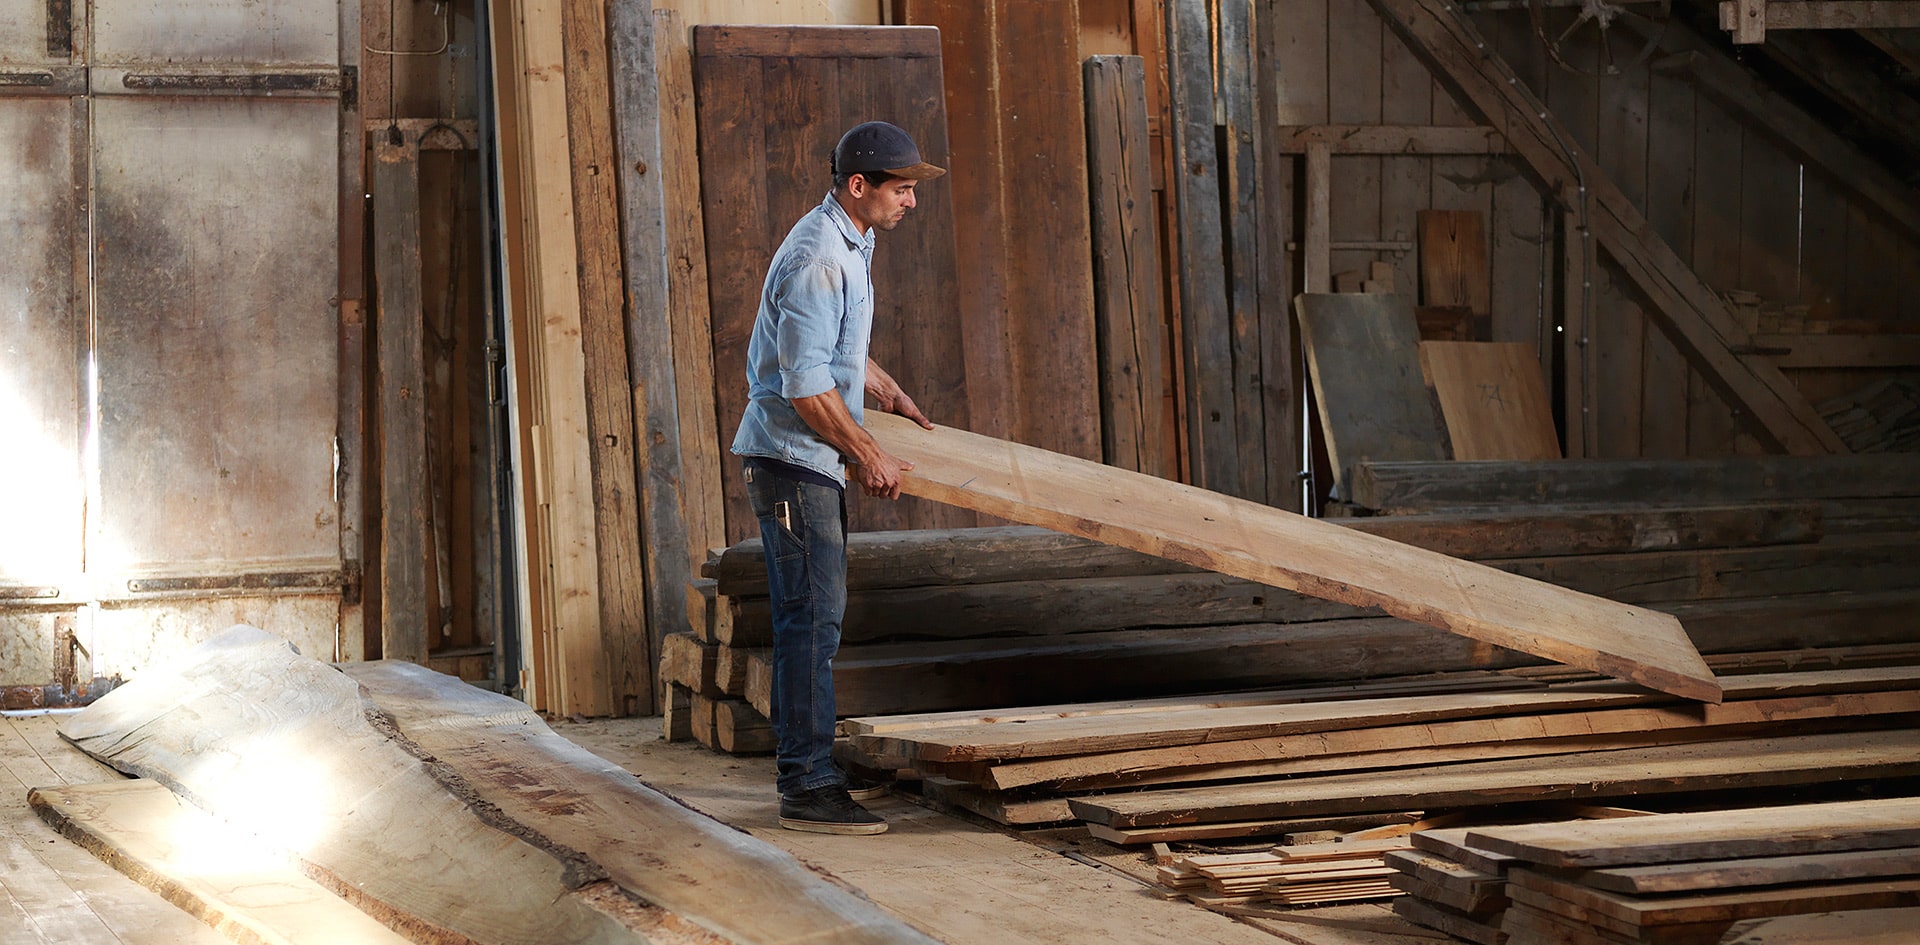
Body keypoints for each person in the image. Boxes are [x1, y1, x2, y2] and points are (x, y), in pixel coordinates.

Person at [730, 120, 944, 835]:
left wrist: (883, 387)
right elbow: (804, 386)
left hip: (810, 456)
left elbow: (832, 348)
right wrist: (868, 453)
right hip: (794, 461)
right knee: (808, 622)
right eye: (903, 189)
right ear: (861, 186)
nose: (911, 201)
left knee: (815, 617)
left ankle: (812, 770)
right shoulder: (821, 255)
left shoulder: (854, 240)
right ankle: (808, 785)